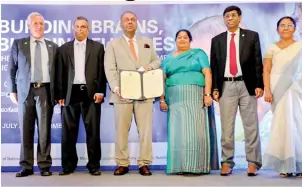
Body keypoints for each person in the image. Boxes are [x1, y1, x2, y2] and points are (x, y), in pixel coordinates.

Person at [104, 11, 161, 176]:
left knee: (145, 131)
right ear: (121, 24)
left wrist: (148, 67)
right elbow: (109, 69)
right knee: (121, 130)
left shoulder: (147, 42)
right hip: (122, 93)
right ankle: (122, 163)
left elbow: (157, 61)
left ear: (137, 23)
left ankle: (144, 163)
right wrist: (116, 88)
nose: (130, 22)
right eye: (126, 20)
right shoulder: (113, 44)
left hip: (145, 92)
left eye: (133, 20)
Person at [210, 5, 264, 176]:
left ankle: (253, 163)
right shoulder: (217, 40)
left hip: (247, 85)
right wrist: (215, 88)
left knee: (251, 125)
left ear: (240, 17)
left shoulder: (251, 36)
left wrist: (259, 85)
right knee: (227, 127)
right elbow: (214, 65)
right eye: (227, 16)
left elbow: (257, 62)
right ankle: (227, 162)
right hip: (226, 86)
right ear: (224, 19)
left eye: (233, 15)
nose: (230, 18)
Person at [263, 16, 302, 178]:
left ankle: (300, 164)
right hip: (277, 89)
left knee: (298, 123)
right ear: (277, 29)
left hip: (297, 89)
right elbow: (266, 70)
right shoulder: (271, 48)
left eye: (289, 25)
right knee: (281, 125)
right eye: (282, 25)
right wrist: (267, 91)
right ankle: (283, 166)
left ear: (294, 28)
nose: (286, 28)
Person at [159, 29, 217, 175]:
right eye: (179, 37)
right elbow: (161, 80)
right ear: (175, 40)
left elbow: (207, 73)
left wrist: (207, 94)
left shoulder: (198, 53)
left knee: (195, 129)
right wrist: (162, 99)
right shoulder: (168, 59)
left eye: (185, 37)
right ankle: (179, 166)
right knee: (177, 131)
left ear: (190, 40)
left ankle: (197, 166)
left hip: (195, 95)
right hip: (174, 97)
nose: (182, 40)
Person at [55, 16, 106, 176]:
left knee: (93, 131)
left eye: (83, 27)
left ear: (88, 29)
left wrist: (100, 91)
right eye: (77, 26)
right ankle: (68, 165)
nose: (80, 29)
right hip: (70, 94)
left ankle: (93, 165)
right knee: (68, 132)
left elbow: (101, 71)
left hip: (90, 93)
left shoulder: (98, 47)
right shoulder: (63, 49)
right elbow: (60, 74)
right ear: (73, 28)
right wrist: (60, 95)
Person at [8, 12, 58, 177]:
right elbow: (12, 69)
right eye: (35, 23)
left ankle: (44, 165)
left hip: (45, 91)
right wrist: (12, 90)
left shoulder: (52, 46)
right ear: (28, 25)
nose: (39, 26)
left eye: (42, 23)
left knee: (44, 131)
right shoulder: (18, 44)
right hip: (25, 91)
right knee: (26, 130)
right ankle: (26, 166)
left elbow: (58, 73)